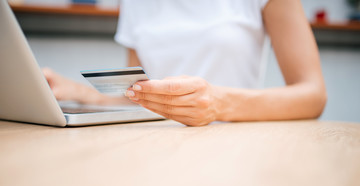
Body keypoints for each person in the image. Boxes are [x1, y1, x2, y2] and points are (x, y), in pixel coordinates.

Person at [44, 0, 327, 126]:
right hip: (155, 144)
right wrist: (77, 93)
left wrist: (219, 102)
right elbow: (138, 96)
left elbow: (313, 95)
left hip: (237, 145)